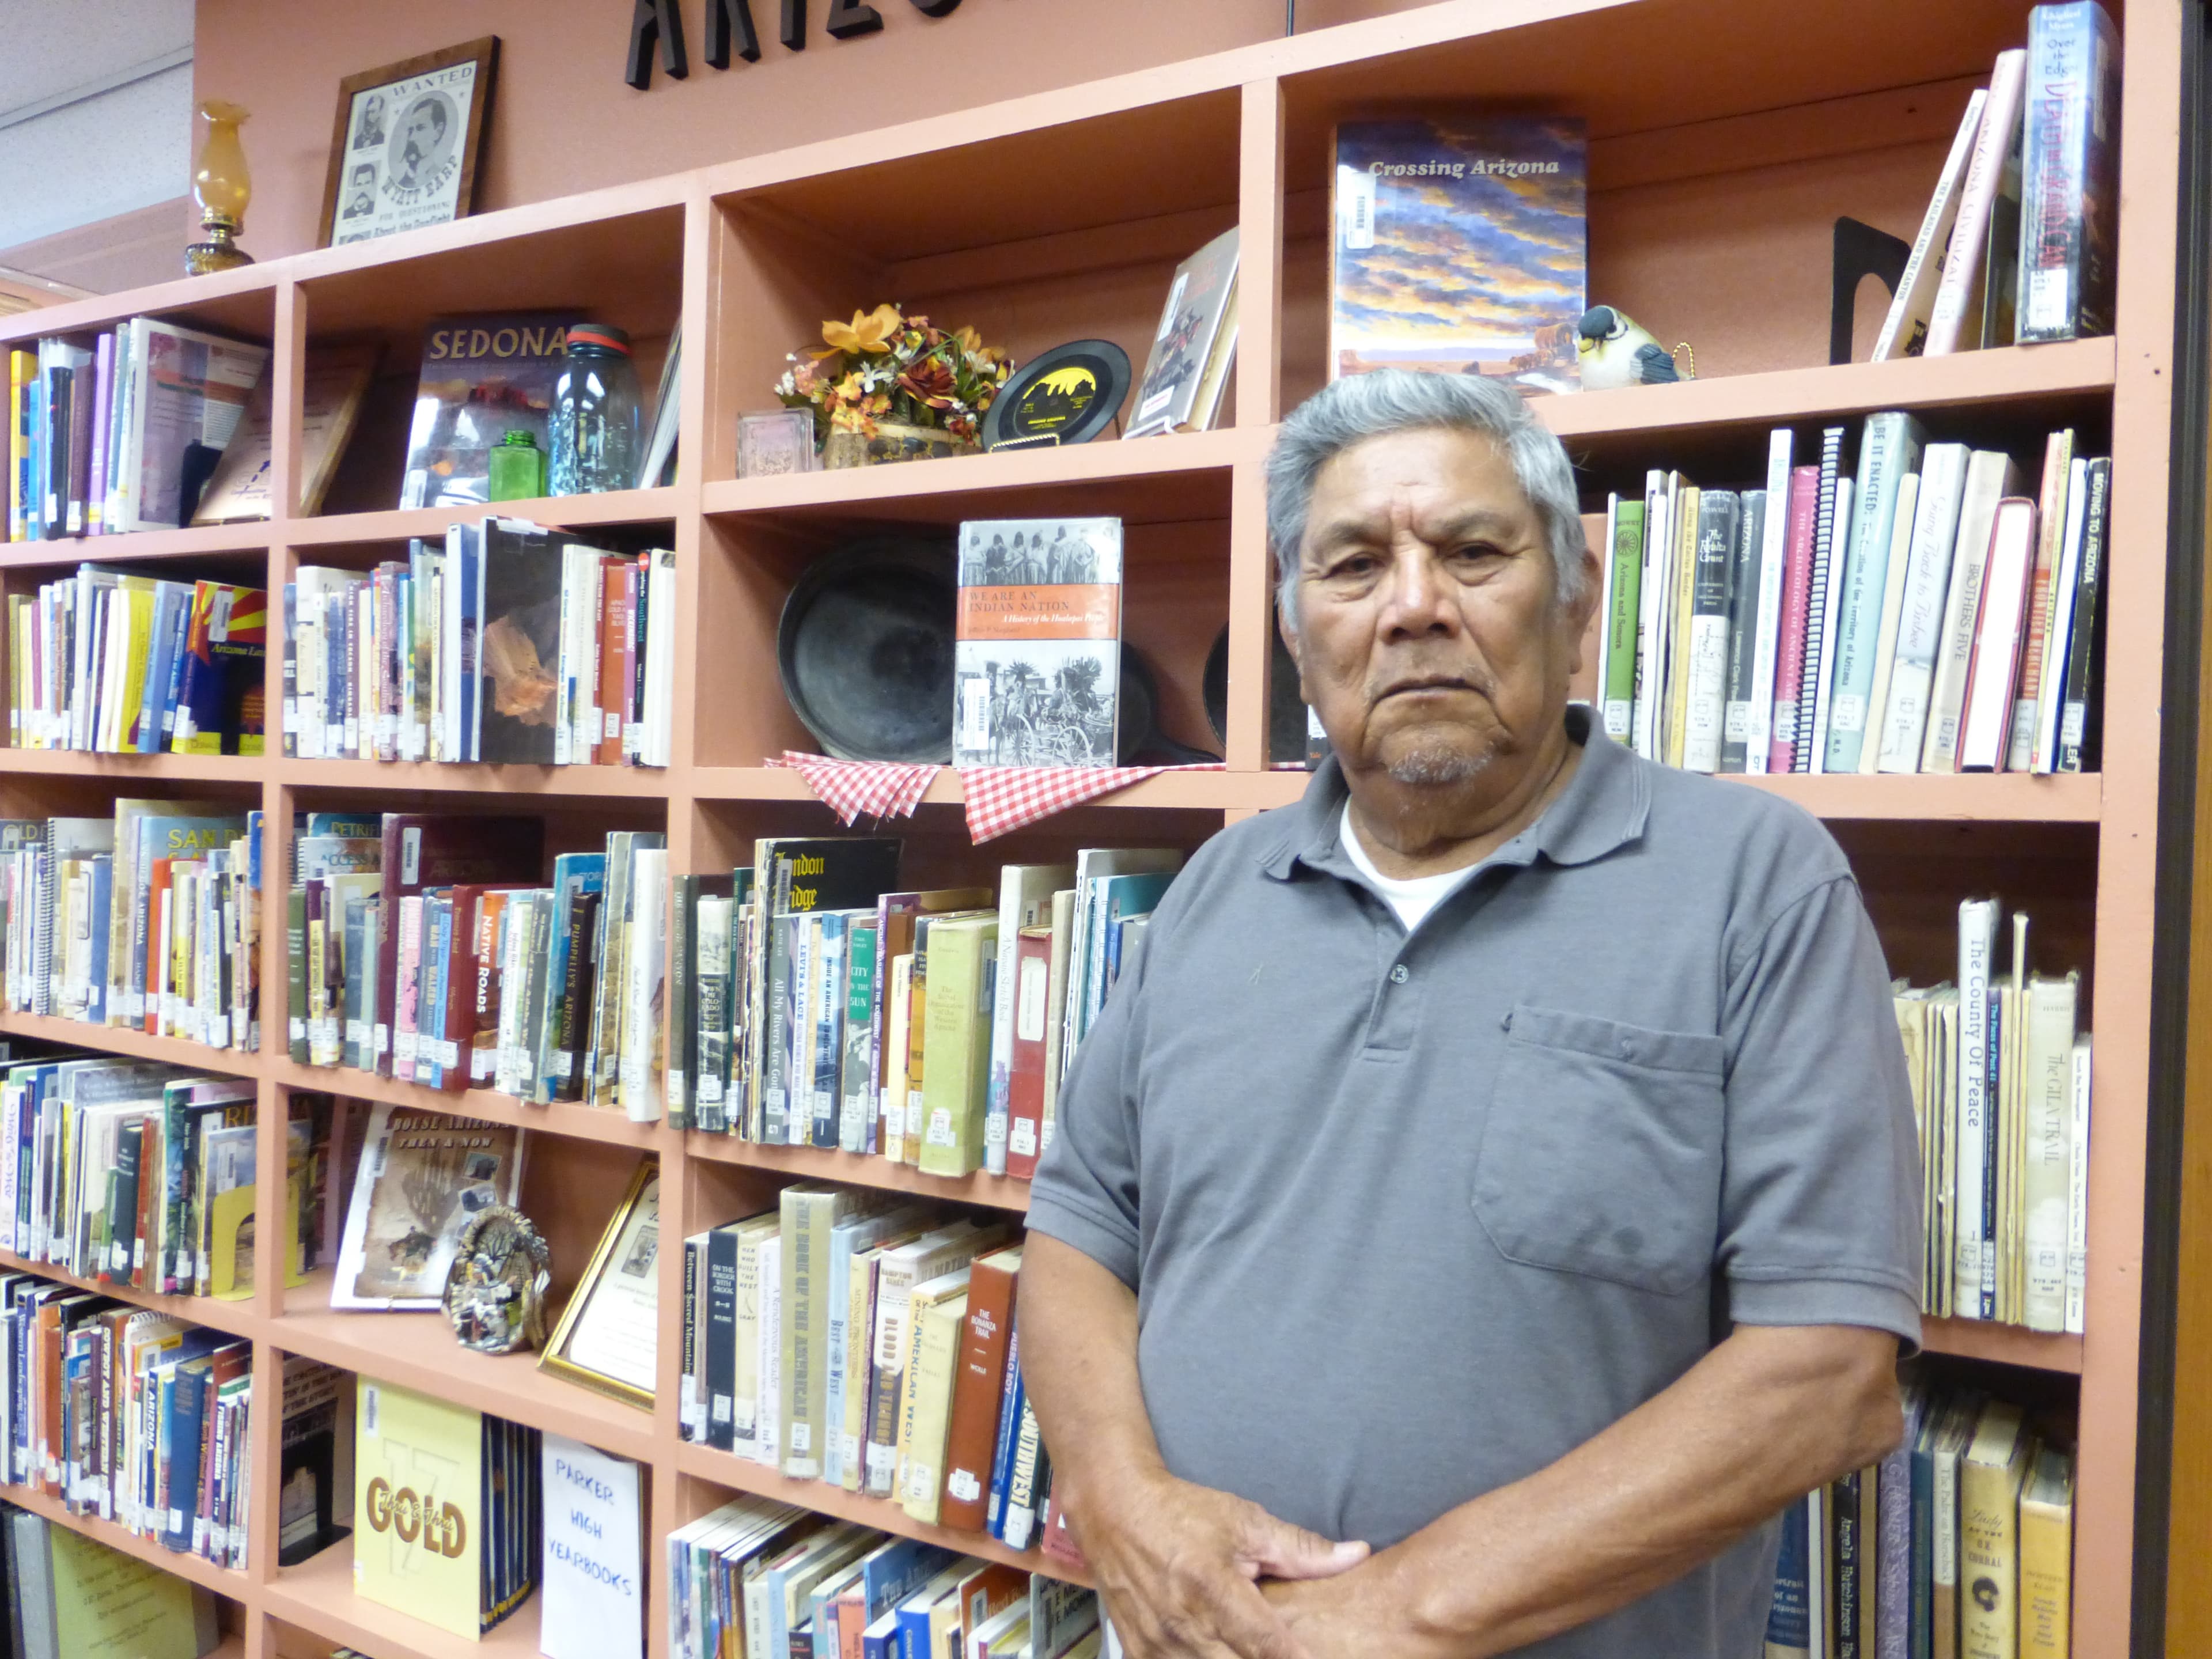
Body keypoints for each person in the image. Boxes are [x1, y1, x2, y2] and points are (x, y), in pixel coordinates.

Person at [1022, 369, 1920, 1659]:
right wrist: (1122, 1506)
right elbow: (1079, 1235)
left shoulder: (1755, 883)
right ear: (1295, 634)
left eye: (1472, 551)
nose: (1413, 608)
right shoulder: (1221, 886)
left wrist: (1393, 1616)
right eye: (1350, 567)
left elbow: (1829, 1378)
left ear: (1575, 602)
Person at [392, 94, 450, 192]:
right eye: (411, 131)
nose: (411, 138)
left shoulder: (445, 183)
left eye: (421, 128)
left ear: (438, 132)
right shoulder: (402, 184)